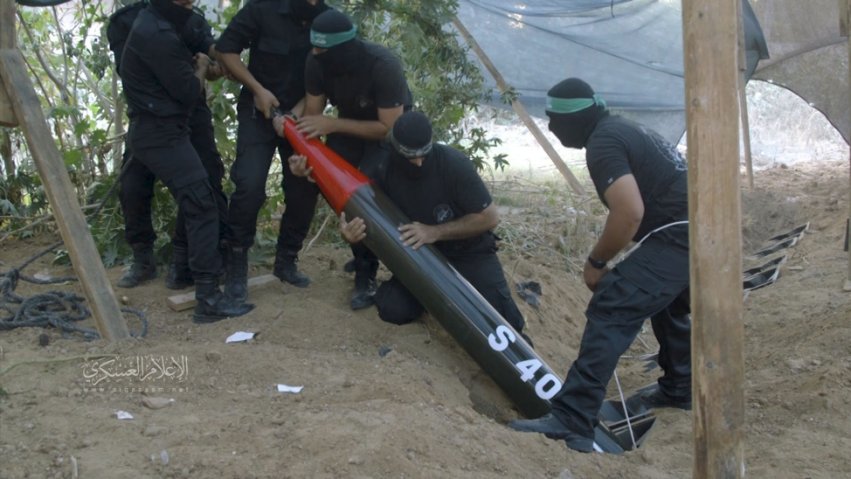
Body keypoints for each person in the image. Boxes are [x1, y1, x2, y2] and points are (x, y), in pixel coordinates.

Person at [508, 78, 691, 453]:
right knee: (665, 302)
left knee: (613, 302)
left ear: (572, 120)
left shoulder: (604, 144)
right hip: (702, 230)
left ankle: (572, 418)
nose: (553, 129)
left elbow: (629, 212)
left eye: (553, 120)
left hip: (682, 236)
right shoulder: (620, 127)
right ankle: (680, 387)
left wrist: (597, 262)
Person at [289, 111, 527, 334]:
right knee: (392, 309)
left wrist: (434, 232)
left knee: (507, 322)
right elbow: (364, 219)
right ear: (395, 147)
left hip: (469, 251)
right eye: (411, 156)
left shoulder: (454, 164)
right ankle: (436, 299)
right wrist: (350, 236)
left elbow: (490, 217)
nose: (419, 163)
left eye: (424, 154)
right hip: (421, 255)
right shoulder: (381, 169)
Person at [120, 0, 252, 322]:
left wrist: (212, 62)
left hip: (167, 128)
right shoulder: (155, 32)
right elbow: (188, 92)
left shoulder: (168, 21)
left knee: (199, 197)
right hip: (158, 132)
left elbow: (204, 44)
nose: (190, 2)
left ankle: (191, 278)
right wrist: (201, 68)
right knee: (199, 200)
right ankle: (207, 298)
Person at [107, 0, 230, 291]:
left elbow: (208, 52)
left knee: (206, 181)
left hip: (191, 109)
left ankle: (184, 260)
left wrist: (215, 65)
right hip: (154, 114)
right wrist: (190, 71)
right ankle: (143, 257)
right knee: (133, 185)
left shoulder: (190, 17)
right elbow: (131, 73)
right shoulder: (127, 22)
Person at [213, 0, 330, 302]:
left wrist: (296, 114)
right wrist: (257, 89)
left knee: (305, 187)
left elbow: (330, 73)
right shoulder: (261, 8)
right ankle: (236, 262)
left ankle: (287, 260)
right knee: (249, 185)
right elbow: (225, 50)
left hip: (301, 117)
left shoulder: (328, 19)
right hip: (258, 112)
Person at [295, 9, 412, 310]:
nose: (315, 53)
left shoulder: (382, 65)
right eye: (314, 47)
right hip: (346, 127)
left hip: (387, 131)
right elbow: (312, 118)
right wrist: (304, 159)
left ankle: (380, 268)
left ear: (343, 49)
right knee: (340, 194)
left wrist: (332, 124)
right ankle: (363, 261)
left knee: (369, 196)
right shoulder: (315, 61)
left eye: (323, 49)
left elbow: (388, 129)